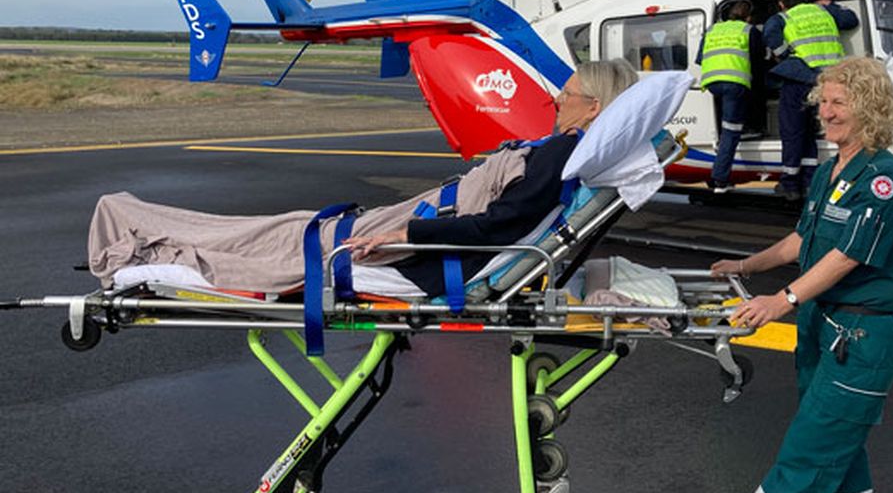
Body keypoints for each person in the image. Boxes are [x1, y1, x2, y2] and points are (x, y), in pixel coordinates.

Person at [89, 60, 638, 296]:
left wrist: (402, 236)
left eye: (565, 94)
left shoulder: (556, 159)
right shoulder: (563, 157)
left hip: (412, 248)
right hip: (411, 230)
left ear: (592, 108)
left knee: (275, 237)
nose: (555, 99)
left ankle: (131, 226)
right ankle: (133, 222)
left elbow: (495, 228)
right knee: (284, 227)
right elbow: (499, 221)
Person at [696, 57, 893, 493]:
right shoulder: (829, 170)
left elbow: (847, 255)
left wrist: (785, 298)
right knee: (840, 449)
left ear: (870, 107)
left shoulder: (886, 177)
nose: (826, 112)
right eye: (824, 102)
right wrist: (747, 267)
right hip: (825, 329)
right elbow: (803, 240)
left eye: (839, 102)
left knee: (809, 450)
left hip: (861, 338)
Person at [763, 0, 859, 203]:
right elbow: (851, 20)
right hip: (828, 80)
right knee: (812, 131)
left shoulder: (782, 18)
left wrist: (785, 56)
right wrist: (831, 4)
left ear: (781, 3)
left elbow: (770, 36)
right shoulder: (824, 11)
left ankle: (790, 184)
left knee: (793, 130)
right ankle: (809, 181)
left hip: (798, 78)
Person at [697, 0, 765, 192]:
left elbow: (699, 58)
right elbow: (759, 59)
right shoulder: (748, 30)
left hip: (712, 82)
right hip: (734, 83)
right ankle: (719, 179)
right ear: (748, 17)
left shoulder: (712, 30)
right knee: (730, 132)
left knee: (724, 126)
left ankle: (721, 157)